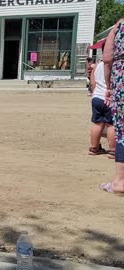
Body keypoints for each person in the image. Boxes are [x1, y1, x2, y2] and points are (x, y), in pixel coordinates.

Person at [101, 18, 124, 194]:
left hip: (121, 81)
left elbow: (107, 57)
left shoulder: (120, 25)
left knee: (122, 131)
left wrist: (109, 86)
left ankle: (120, 181)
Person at [89, 41, 115, 158]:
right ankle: (113, 150)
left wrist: (95, 92)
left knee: (97, 123)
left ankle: (94, 148)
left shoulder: (98, 65)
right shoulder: (115, 65)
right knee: (111, 124)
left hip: (96, 98)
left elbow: (93, 82)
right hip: (109, 98)